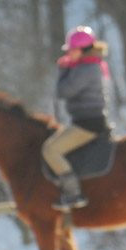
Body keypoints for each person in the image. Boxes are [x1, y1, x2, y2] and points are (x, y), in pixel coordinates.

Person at [41, 26, 111, 211]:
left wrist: (63, 70)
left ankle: (73, 194)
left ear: (84, 50)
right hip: (84, 121)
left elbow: (62, 91)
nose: (69, 53)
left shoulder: (86, 69)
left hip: (87, 125)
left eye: (73, 49)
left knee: (50, 150)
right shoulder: (87, 66)